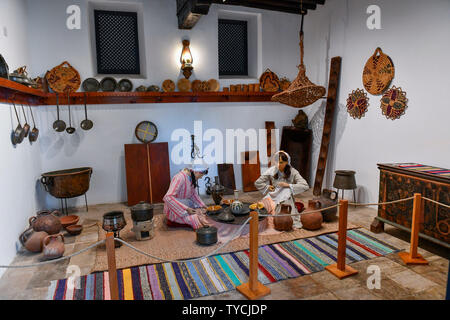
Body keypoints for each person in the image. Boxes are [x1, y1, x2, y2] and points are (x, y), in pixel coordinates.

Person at [254, 151, 309, 228]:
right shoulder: (272, 170)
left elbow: (305, 185)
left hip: (286, 197)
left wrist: (288, 185)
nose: (278, 165)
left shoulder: (293, 172)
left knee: (284, 215)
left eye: (281, 162)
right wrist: (268, 187)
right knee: (260, 210)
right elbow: (258, 182)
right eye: (276, 162)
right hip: (273, 195)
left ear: (287, 162)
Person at [163, 164, 210, 230]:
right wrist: (187, 209)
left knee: (201, 213)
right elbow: (167, 198)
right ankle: (173, 219)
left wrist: (203, 206)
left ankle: (188, 217)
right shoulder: (179, 178)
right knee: (195, 219)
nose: (201, 177)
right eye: (201, 175)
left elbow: (193, 194)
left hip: (183, 204)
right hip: (175, 208)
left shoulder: (191, 177)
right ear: (195, 171)